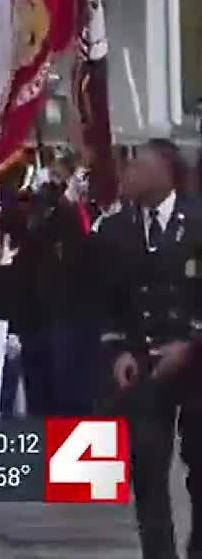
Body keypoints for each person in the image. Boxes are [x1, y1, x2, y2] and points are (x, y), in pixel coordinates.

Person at [93, 138, 202, 559]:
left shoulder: (196, 222)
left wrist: (190, 344)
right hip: (143, 366)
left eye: (137, 165)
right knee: (148, 474)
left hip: (195, 364)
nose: (127, 173)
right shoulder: (114, 229)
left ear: (164, 172)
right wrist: (118, 350)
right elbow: (107, 302)